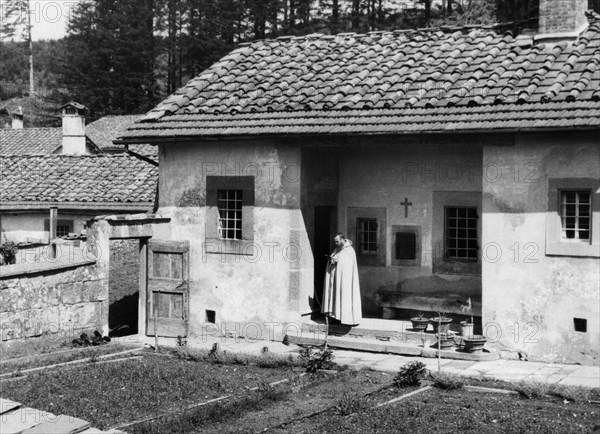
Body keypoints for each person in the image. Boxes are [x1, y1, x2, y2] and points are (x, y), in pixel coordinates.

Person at [321, 233, 362, 326]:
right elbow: (335, 259)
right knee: (335, 297)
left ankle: (346, 318)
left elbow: (348, 265)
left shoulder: (349, 250)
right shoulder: (337, 249)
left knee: (345, 298)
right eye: (335, 242)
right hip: (336, 279)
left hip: (345, 281)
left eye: (337, 241)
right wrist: (332, 260)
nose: (336, 243)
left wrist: (338, 262)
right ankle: (336, 316)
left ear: (343, 239)